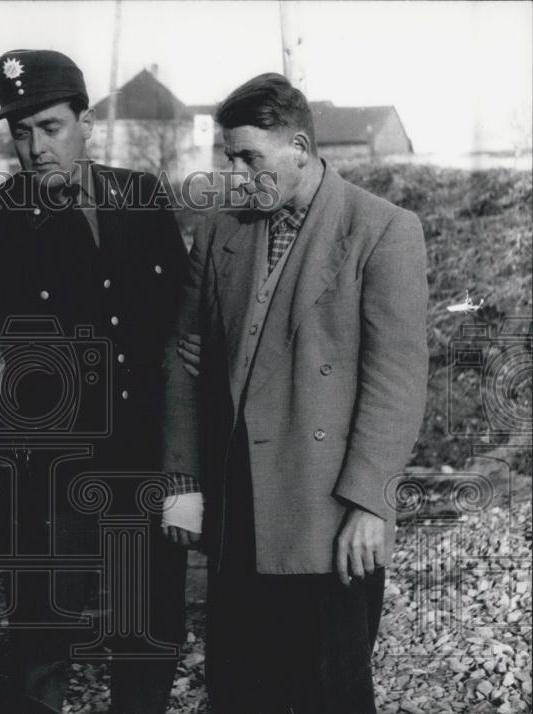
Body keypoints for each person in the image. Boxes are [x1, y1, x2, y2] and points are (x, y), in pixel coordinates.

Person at [0, 49, 195, 713]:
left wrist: (188, 471)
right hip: (49, 478)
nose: (36, 148)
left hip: (139, 466)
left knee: (147, 634)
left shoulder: (143, 205)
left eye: (50, 127)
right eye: (20, 132)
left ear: (84, 123)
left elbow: (180, 346)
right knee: (42, 638)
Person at [162, 73, 428, 713]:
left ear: (301, 149)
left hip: (329, 513)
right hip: (237, 510)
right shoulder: (222, 230)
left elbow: (396, 380)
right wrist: (183, 483)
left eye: (249, 156)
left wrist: (370, 503)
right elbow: (180, 359)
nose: (235, 171)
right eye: (229, 156)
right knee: (241, 693)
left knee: (329, 695)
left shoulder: (381, 230)